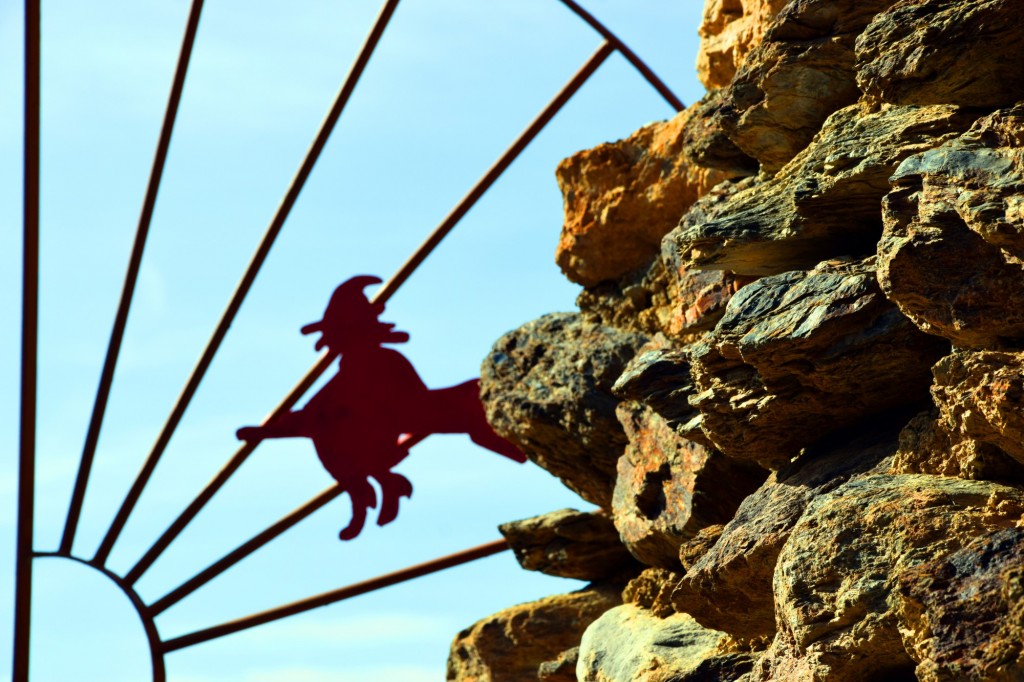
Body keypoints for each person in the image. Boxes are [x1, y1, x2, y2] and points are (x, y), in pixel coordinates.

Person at [236, 275, 525, 540]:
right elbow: (318, 411)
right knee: (332, 427)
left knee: (334, 426)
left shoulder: (371, 364)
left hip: (431, 414)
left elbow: (323, 409)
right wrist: (268, 431)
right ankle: (377, 483)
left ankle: (376, 484)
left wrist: (269, 431)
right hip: (412, 419)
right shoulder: (361, 365)